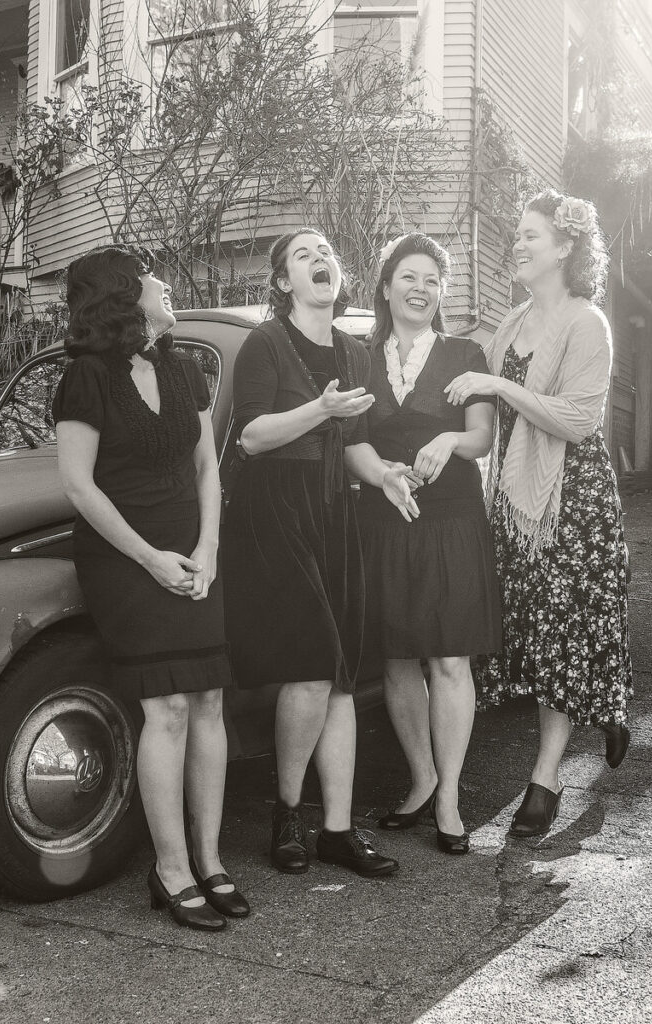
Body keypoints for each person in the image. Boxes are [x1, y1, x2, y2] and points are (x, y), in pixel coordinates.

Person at [53, 245, 248, 930]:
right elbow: (79, 487)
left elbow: (205, 471)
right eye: (149, 276)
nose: (164, 283)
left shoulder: (183, 367)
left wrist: (207, 549)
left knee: (207, 700)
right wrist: (151, 559)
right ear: (123, 296)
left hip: (193, 555)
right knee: (166, 706)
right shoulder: (86, 378)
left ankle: (210, 859)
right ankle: (170, 869)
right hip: (125, 559)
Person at [224, 229, 418, 878]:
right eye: (304, 256)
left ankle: (337, 828)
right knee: (310, 665)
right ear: (283, 282)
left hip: (337, 509)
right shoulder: (264, 344)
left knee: (339, 673)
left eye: (327, 254)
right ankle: (286, 813)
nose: (321, 262)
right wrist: (320, 409)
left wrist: (384, 474)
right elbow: (251, 437)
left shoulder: (355, 353)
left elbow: (355, 441)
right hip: (275, 511)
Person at [446, 190, 633, 838]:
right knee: (540, 630)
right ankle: (606, 703)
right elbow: (481, 412)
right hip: (515, 497)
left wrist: (498, 386)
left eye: (531, 234)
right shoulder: (510, 323)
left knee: (562, 632)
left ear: (565, 246)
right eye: (517, 234)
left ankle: (545, 778)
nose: (517, 244)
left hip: (572, 501)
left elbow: (580, 419)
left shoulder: (588, 323)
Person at [356, 232, 501, 855]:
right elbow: (351, 441)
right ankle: (421, 779)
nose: (422, 290)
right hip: (386, 520)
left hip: (450, 523)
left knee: (447, 658)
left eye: (433, 281)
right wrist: (384, 474)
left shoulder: (464, 353)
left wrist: (448, 442)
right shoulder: (359, 358)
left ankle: (449, 798)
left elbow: (482, 436)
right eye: (410, 277)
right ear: (387, 287)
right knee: (396, 658)